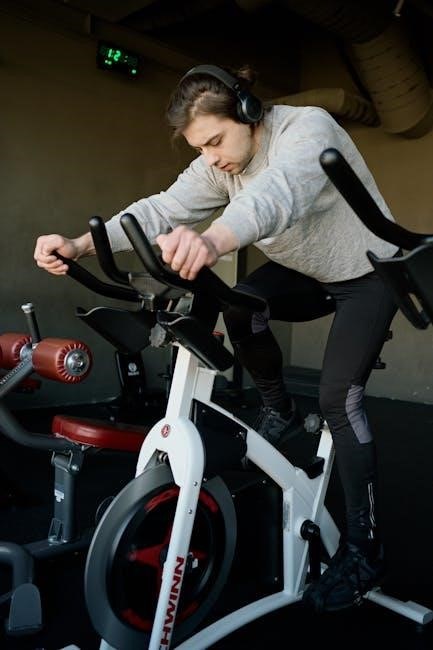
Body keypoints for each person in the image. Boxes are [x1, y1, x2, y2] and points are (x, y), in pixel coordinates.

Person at [34, 64, 399, 612]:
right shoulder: (219, 164)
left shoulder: (308, 129)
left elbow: (277, 195)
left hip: (369, 272)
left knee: (338, 401)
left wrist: (213, 240)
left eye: (215, 140)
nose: (210, 157)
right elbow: (161, 208)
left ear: (248, 113)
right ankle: (278, 408)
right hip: (308, 269)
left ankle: (365, 550)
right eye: (199, 147)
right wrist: (79, 244)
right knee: (240, 306)